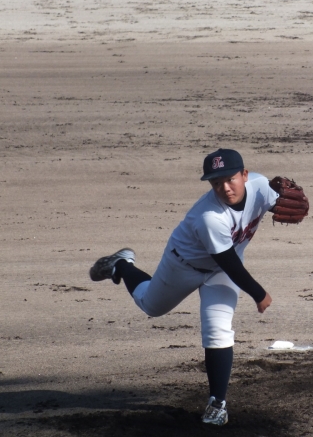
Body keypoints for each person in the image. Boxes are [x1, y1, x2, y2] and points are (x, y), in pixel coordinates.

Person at [89, 148, 285, 426]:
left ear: (244, 174)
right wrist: (258, 293)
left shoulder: (261, 187)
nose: (225, 188)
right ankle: (121, 264)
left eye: (230, 179)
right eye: (216, 183)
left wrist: (285, 204)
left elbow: (284, 203)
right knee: (150, 305)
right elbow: (229, 263)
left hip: (220, 273)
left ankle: (217, 404)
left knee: (218, 329)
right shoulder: (209, 216)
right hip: (183, 266)